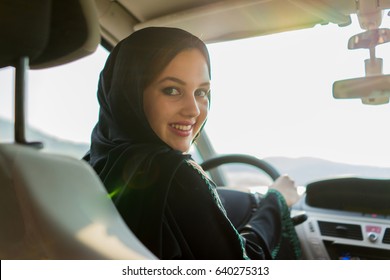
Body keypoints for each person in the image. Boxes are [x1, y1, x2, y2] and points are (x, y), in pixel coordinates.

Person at [84, 27, 301, 260]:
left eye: (201, 92)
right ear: (130, 92)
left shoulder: (90, 165)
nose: (194, 110)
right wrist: (276, 201)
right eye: (172, 90)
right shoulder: (174, 176)